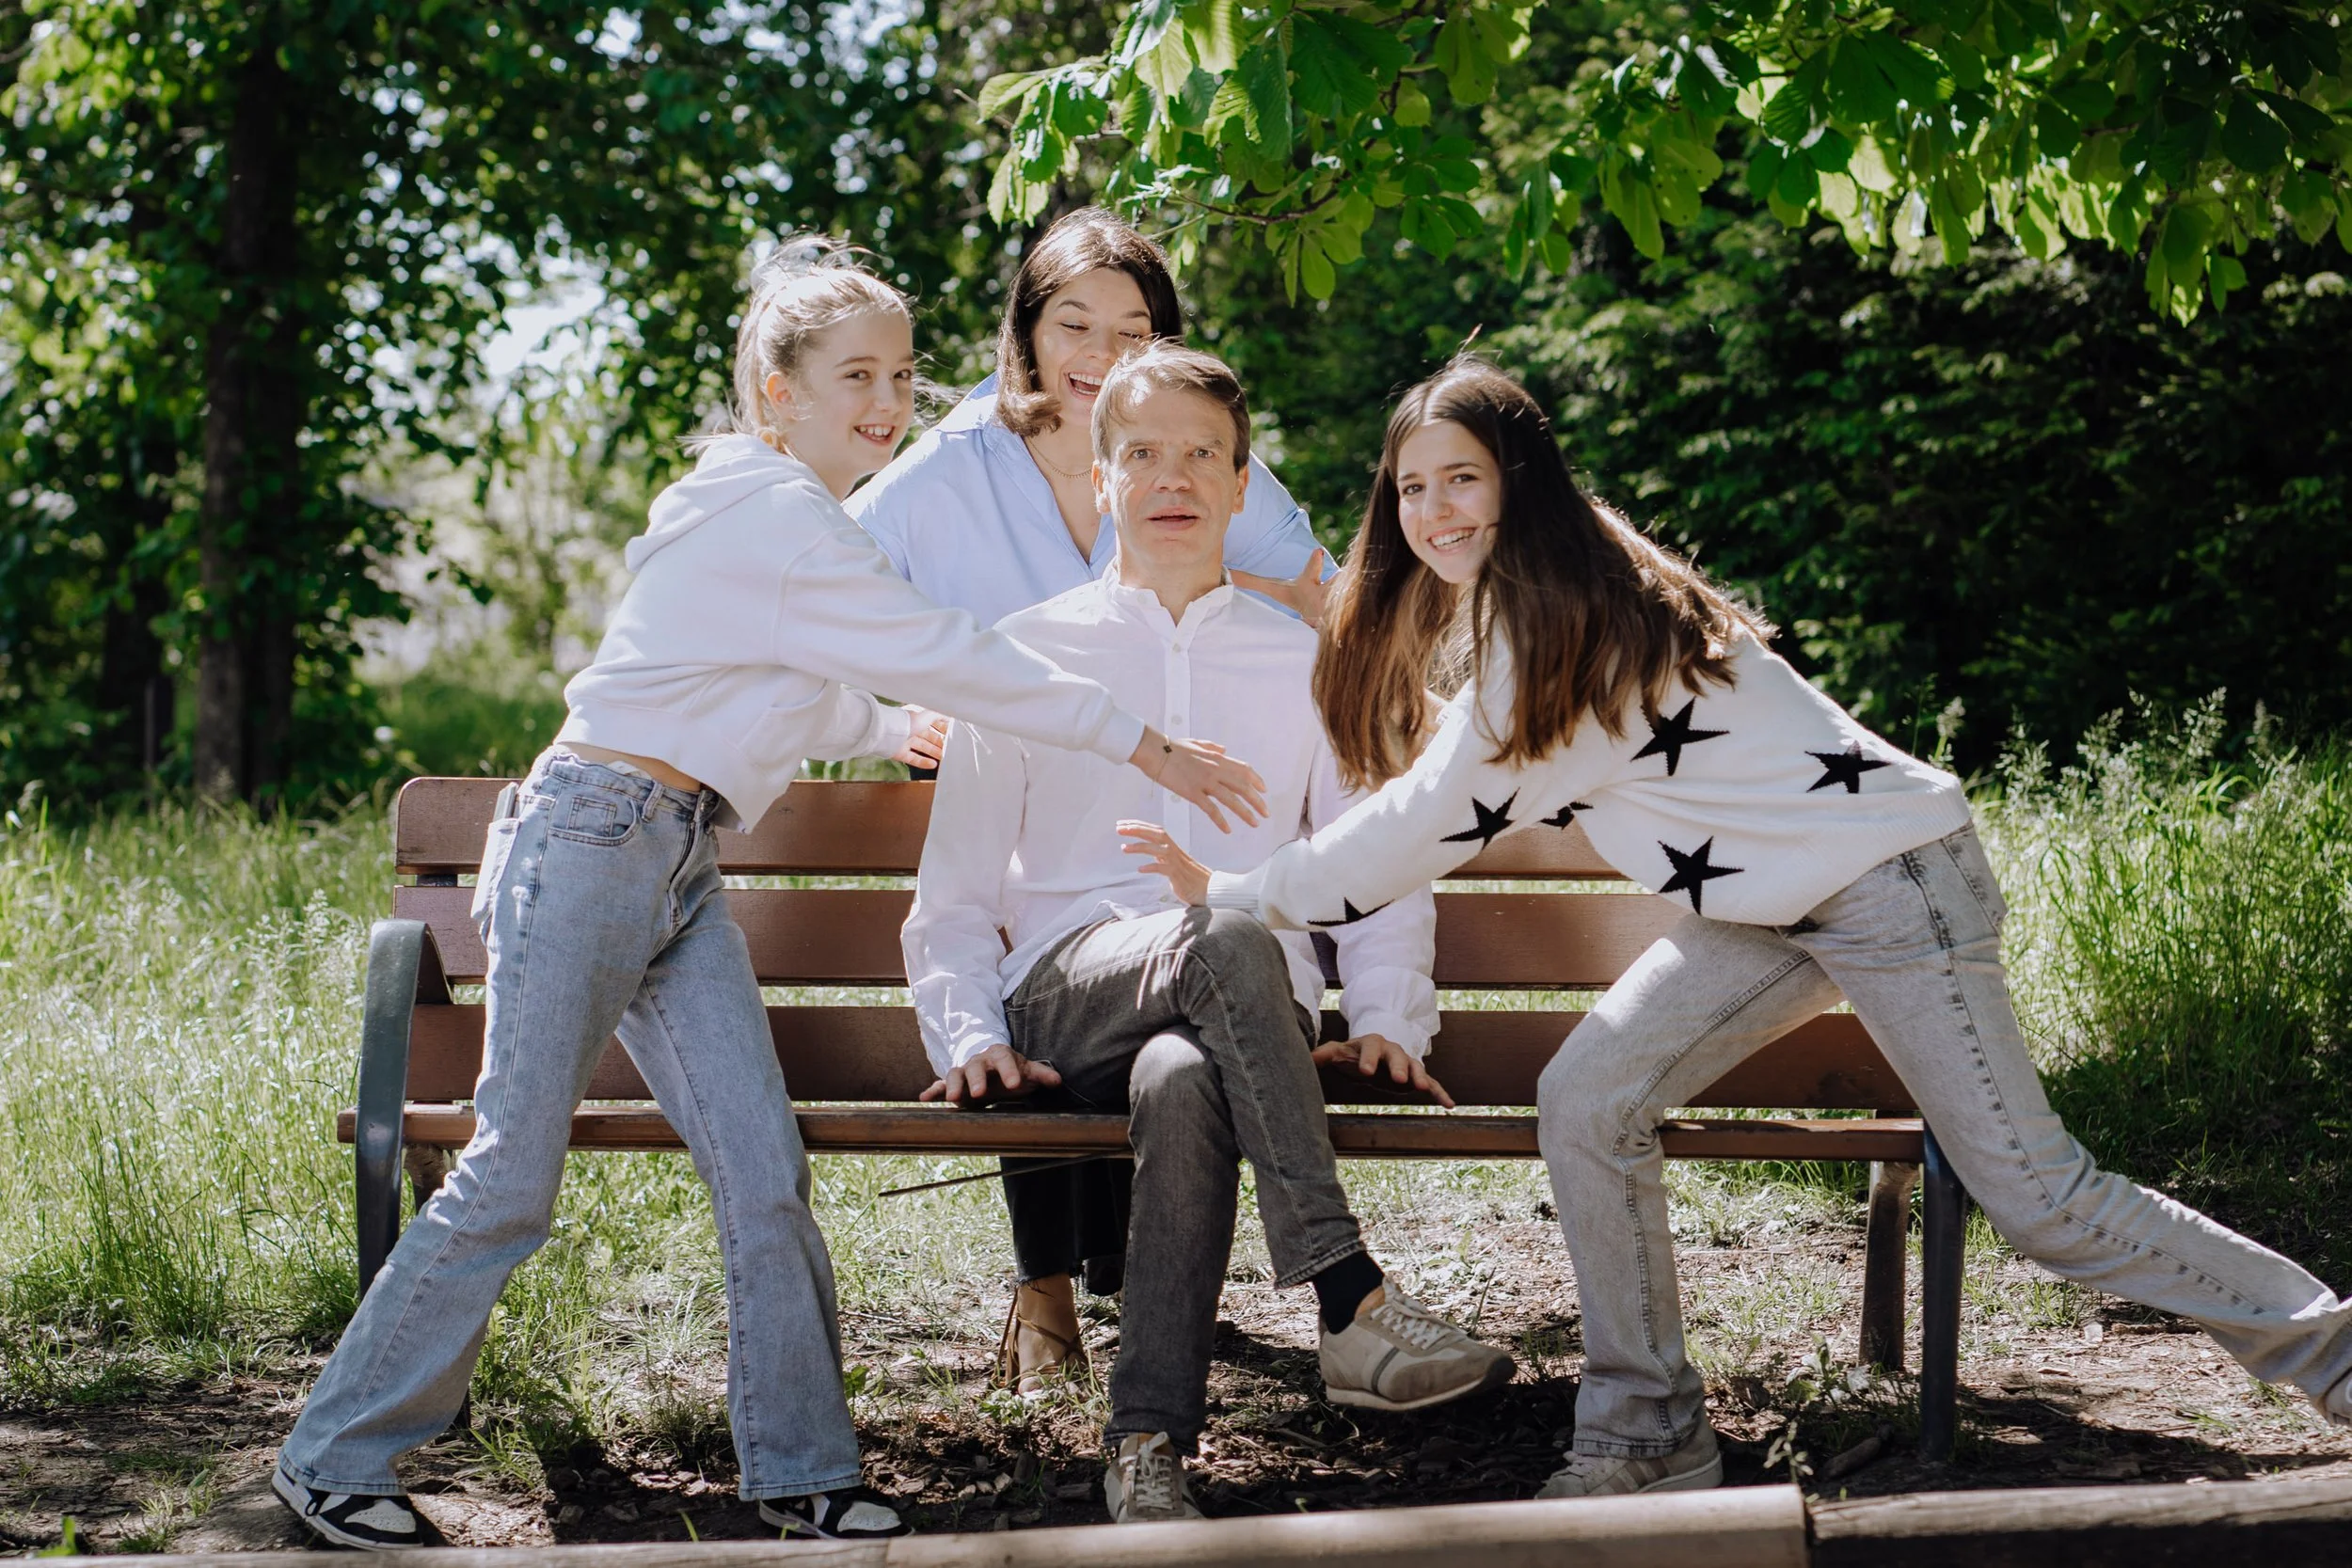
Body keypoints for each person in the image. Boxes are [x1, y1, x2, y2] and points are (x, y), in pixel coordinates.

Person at [1121, 356, 2352, 1502]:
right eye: (1412, 488)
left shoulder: (1558, 617)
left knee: (2041, 1199)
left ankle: (2335, 1357)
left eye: (1463, 479)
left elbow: (1425, 818)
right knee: (1589, 1095)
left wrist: (1237, 892)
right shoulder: (1554, 593)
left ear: (1520, 481)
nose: (1435, 511)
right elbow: (1485, 754)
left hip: (1887, 884)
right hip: (1771, 904)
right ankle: (1646, 1433)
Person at [271, 240, 1270, 1551]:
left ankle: (799, 1471)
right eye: (856, 375)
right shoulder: (779, 516)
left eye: (902, 375)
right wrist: (1141, 740)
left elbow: (790, 681)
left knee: (762, 1170)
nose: (887, 400)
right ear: (776, 390)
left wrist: (889, 721)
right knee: (512, 1170)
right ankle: (333, 1453)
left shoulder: (778, 516)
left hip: (672, 857)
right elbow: (950, 653)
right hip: (595, 840)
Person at [905, 345, 1512, 1523]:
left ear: (1241, 485)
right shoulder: (1024, 656)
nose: (1172, 477)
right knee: (1225, 929)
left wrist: (1387, 1014)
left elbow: (1377, 866)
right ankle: (1347, 1293)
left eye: (1202, 455)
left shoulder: (1310, 662)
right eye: (1142, 453)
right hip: (1068, 998)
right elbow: (958, 890)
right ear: (1100, 478)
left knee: (1186, 1074)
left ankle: (1146, 1447)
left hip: (1240, 1020)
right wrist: (969, 1031)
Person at [848, 208, 1329, 1395]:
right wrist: (889, 716)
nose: (1103, 352)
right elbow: (816, 589)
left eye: (1134, 328)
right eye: (1074, 324)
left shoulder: (1191, 447)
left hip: (1181, 827)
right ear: (1025, 332)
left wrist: (1280, 642)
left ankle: (1146, 1388)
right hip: (1020, 803)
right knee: (1043, 915)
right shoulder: (953, 468)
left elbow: (1323, 592)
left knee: (1176, 1046)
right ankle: (1077, 1286)